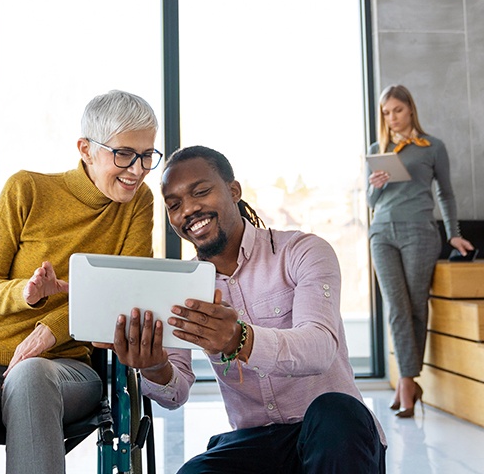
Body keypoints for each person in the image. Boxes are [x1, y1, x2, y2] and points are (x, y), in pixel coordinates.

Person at [0, 90, 160, 474]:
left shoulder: (137, 205)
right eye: (124, 154)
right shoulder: (26, 189)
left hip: (63, 368)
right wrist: (26, 295)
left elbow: (127, 294)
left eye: (147, 155)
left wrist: (50, 328)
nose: (137, 169)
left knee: (31, 375)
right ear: (85, 148)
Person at [104, 146, 386, 474]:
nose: (189, 210)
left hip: (335, 436)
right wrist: (153, 367)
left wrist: (240, 339)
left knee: (336, 412)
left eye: (201, 192)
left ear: (234, 191)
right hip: (257, 443)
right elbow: (175, 393)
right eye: (174, 205)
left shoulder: (302, 251)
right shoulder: (181, 285)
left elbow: (320, 347)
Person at [367, 84, 473, 418]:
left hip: (419, 233)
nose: (392, 117)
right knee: (397, 308)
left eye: (397, 110)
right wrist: (376, 187)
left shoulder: (432, 147)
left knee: (415, 305)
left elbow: (446, 193)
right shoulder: (377, 149)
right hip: (382, 232)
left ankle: (406, 382)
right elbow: (371, 203)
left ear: (410, 109)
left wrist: (453, 234)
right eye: (386, 112)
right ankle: (408, 382)